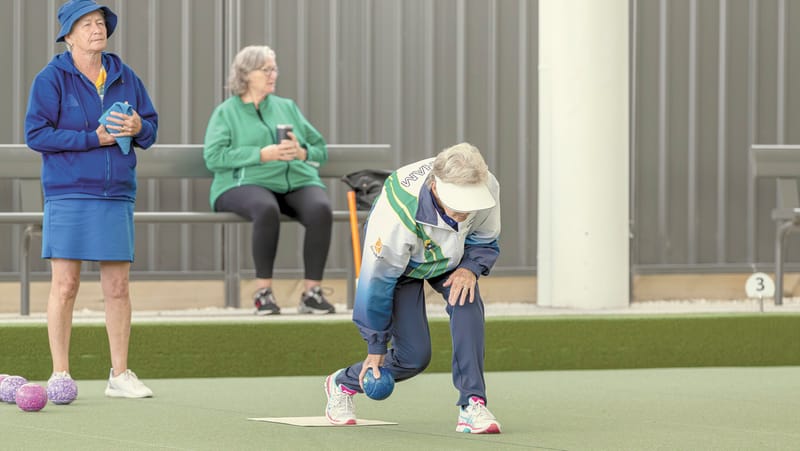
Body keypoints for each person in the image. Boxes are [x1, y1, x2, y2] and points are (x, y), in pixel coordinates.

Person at [24, 0, 158, 399]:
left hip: (116, 193)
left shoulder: (125, 75)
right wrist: (92, 138)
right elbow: (36, 135)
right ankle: (60, 374)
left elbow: (150, 127)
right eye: (87, 24)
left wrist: (138, 126)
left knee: (118, 287)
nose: (97, 29)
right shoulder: (50, 79)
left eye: (100, 23)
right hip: (68, 193)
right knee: (65, 285)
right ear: (68, 35)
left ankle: (120, 375)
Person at [324, 143, 503, 434]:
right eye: (458, 204)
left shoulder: (485, 186)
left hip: (453, 260)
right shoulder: (395, 215)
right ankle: (343, 382)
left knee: (466, 300)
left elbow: (485, 238)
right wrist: (376, 344)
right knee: (413, 358)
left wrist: (471, 267)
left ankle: (472, 404)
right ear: (435, 187)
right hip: (401, 269)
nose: (465, 212)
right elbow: (376, 283)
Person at [203, 45, 335, 316]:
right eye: (266, 69)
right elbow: (214, 157)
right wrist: (261, 155)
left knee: (321, 209)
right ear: (246, 73)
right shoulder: (227, 112)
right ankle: (263, 293)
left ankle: (312, 293)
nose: (273, 74)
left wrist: (302, 152)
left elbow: (320, 149)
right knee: (266, 209)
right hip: (242, 183)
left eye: (274, 69)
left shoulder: (287, 107)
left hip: (294, 181)